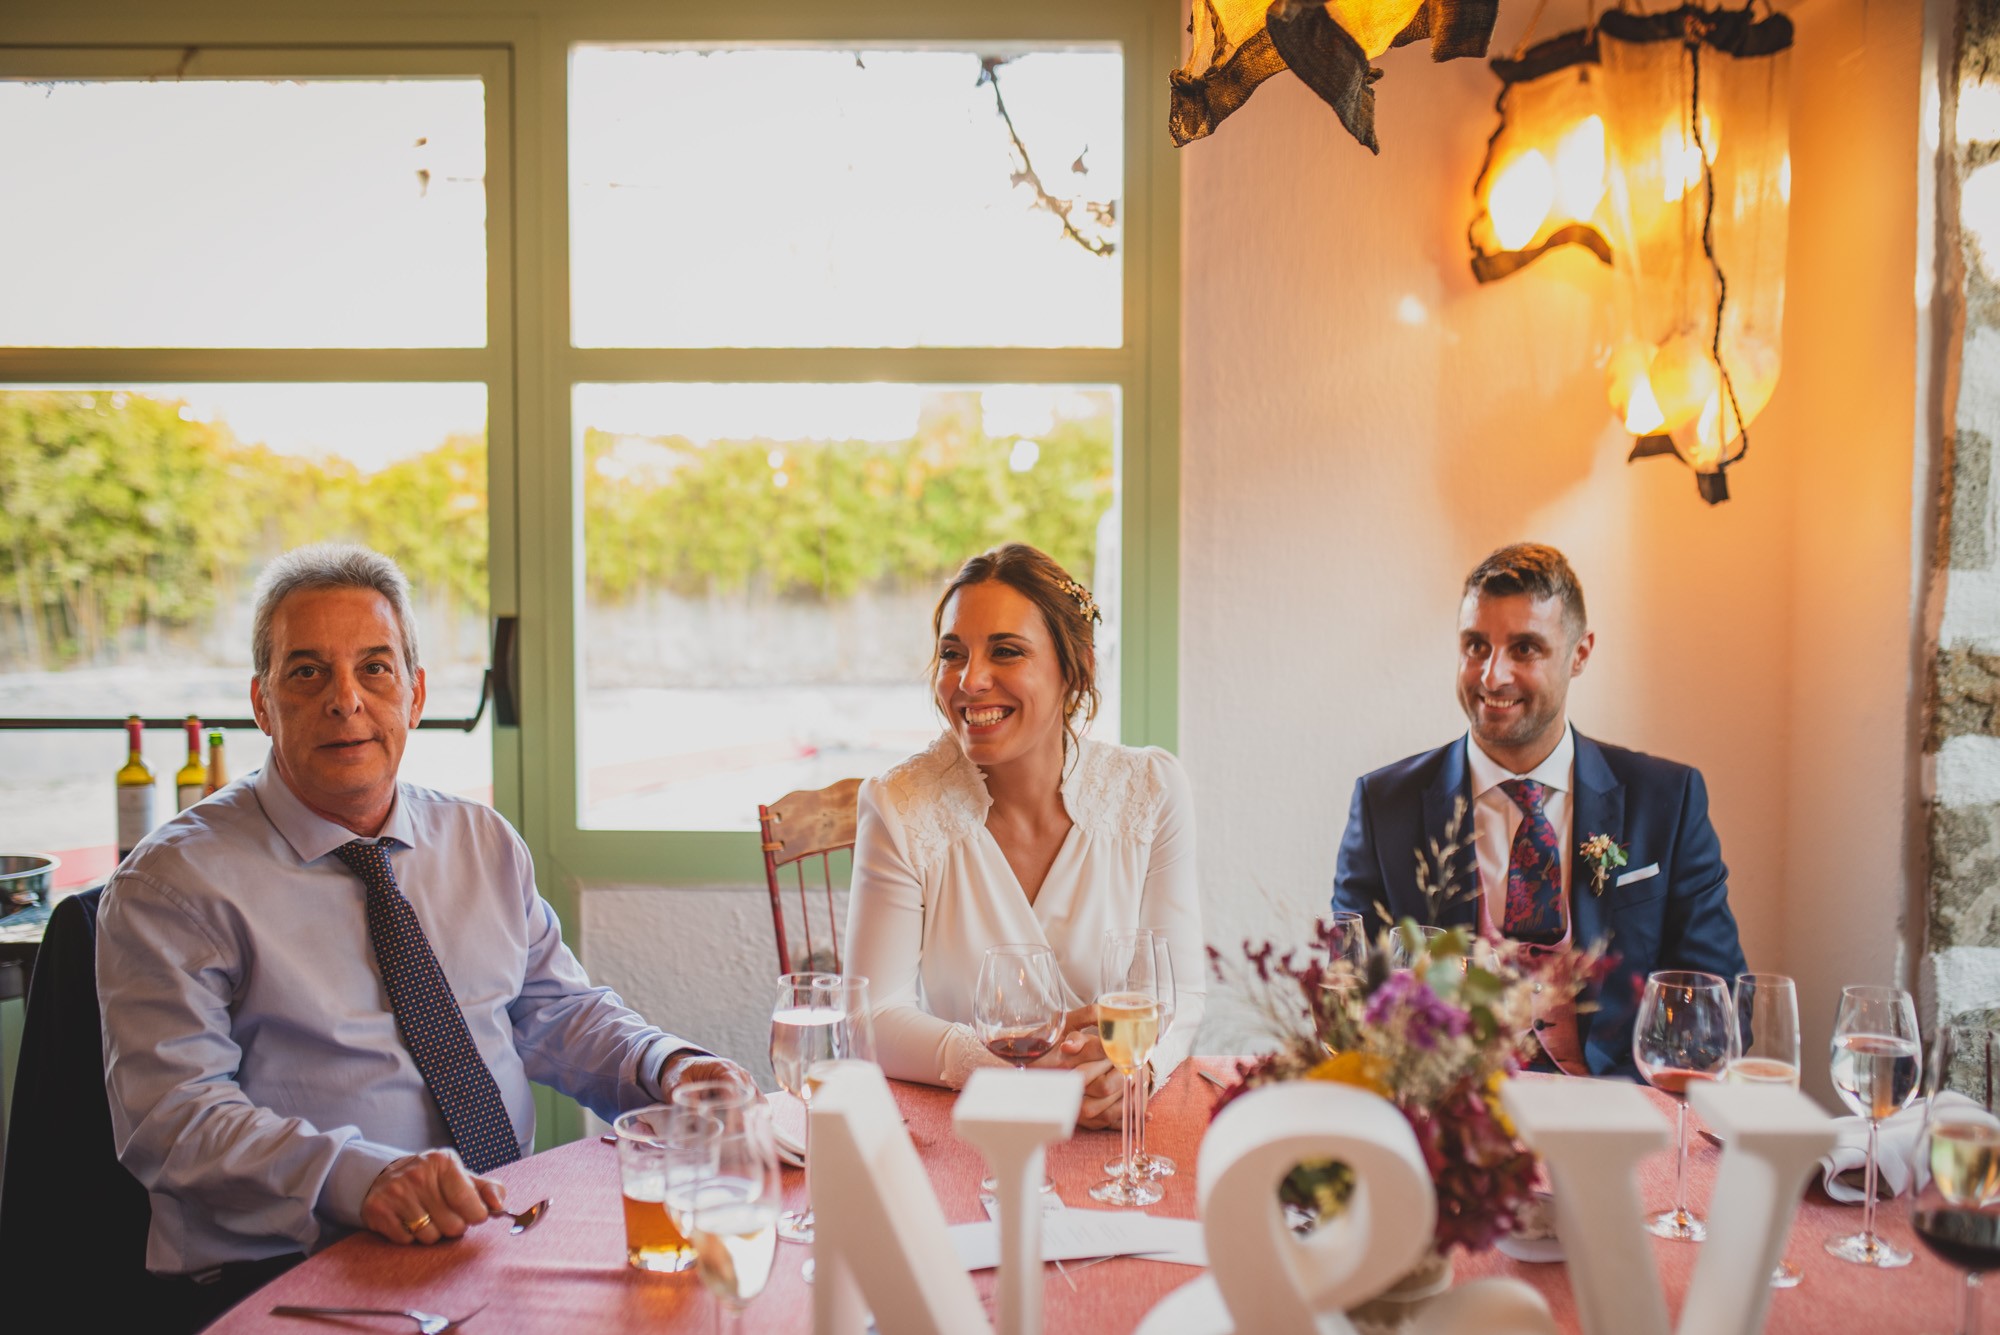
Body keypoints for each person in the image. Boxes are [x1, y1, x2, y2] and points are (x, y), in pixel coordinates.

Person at [97, 544, 748, 1325]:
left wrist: (668, 1064)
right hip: (285, 1277)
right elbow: (173, 1118)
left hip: (496, 1236)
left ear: (416, 693)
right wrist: (362, 1177)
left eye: (375, 667)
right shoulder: (175, 882)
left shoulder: (482, 841)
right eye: (307, 672)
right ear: (261, 703)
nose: (346, 700)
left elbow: (556, 1011)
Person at [1332, 543, 1745, 1078]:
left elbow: (1717, 1010)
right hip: (1454, 1117)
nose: (1492, 676)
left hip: (1617, 1114)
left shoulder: (1668, 798)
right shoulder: (1384, 805)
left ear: (1580, 653)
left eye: (1524, 649)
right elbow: (1353, 1001)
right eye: (1476, 646)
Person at [843, 544, 1205, 1125]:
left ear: (1076, 665)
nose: (970, 680)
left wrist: (1135, 1075)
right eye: (952, 654)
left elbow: (1179, 993)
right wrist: (1005, 1066)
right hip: (974, 1130)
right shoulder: (900, 806)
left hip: (1118, 1131)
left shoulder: (1152, 791)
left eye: (1006, 652)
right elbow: (870, 1016)